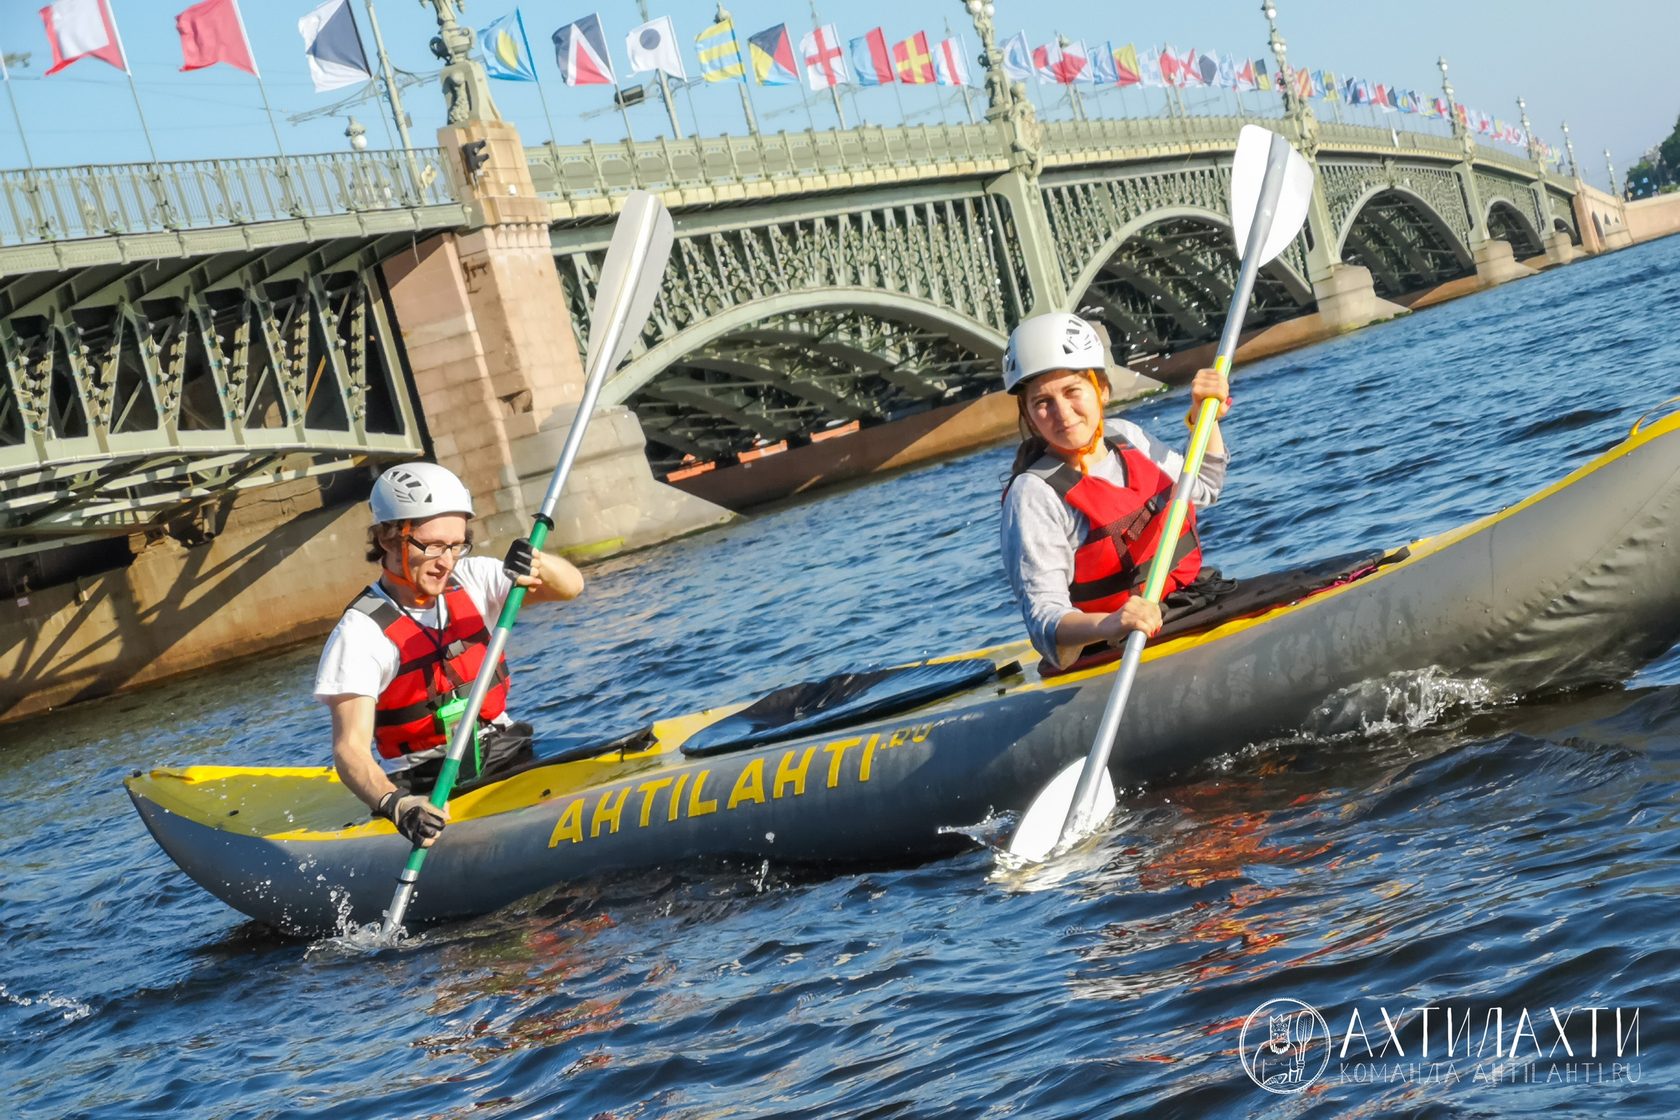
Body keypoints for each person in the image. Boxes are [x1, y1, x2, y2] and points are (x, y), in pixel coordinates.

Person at [314, 462, 583, 848]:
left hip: (510, 755)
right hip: (431, 786)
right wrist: (398, 805)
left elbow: (571, 587)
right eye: (435, 546)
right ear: (389, 539)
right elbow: (349, 750)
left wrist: (540, 564)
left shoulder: (474, 577)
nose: (447, 561)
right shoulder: (360, 634)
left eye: (457, 545)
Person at [999, 313, 1230, 672]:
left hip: (1189, 604)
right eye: (1042, 402)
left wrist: (1205, 418)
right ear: (1028, 415)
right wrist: (1113, 621)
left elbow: (1204, 487)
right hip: (1112, 646)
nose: (1062, 413)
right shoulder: (1033, 495)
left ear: (1101, 389)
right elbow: (1044, 621)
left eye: (1073, 391)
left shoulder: (1126, 436)